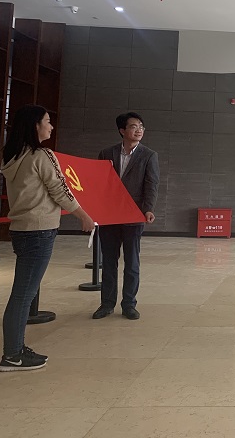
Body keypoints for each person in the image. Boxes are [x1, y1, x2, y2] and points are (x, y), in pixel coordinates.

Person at [0, 105, 95, 371]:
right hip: (39, 230)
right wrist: (84, 216)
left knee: (22, 293)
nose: (51, 127)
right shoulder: (42, 155)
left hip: (21, 229)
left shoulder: (13, 155)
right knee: (23, 295)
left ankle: (15, 349)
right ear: (35, 125)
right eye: (47, 121)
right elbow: (60, 189)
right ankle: (12, 354)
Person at [92, 112, 159, 321]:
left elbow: (151, 184)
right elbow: (99, 183)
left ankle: (129, 304)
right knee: (109, 262)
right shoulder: (106, 153)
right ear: (122, 130)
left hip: (133, 214)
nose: (139, 130)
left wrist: (148, 209)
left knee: (132, 263)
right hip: (110, 215)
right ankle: (106, 304)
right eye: (133, 126)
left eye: (141, 127)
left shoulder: (149, 155)